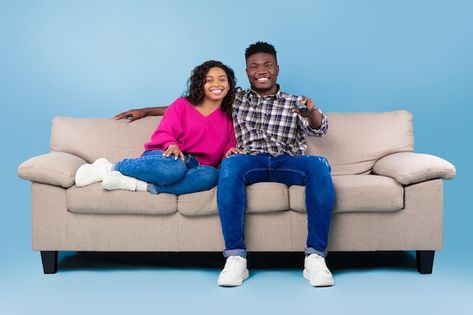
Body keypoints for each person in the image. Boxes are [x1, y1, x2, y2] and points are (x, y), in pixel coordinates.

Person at [115, 42, 335, 287]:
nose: (261, 70)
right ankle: (235, 258)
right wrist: (146, 111)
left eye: (267, 65)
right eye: (254, 66)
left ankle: (315, 257)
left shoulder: (294, 102)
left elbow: (320, 128)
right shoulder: (235, 98)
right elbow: (194, 105)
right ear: (247, 71)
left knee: (319, 165)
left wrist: (311, 113)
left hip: (287, 161)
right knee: (228, 166)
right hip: (249, 159)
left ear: (277, 69)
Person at [75, 60, 238, 195]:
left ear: (229, 84)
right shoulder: (182, 105)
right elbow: (166, 131)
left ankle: (138, 185)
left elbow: (228, 147)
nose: (217, 84)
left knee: (210, 175)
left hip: (196, 166)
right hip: (165, 156)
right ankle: (108, 167)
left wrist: (230, 152)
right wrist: (172, 145)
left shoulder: (231, 117)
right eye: (209, 80)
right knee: (175, 168)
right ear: (200, 84)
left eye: (222, 79)